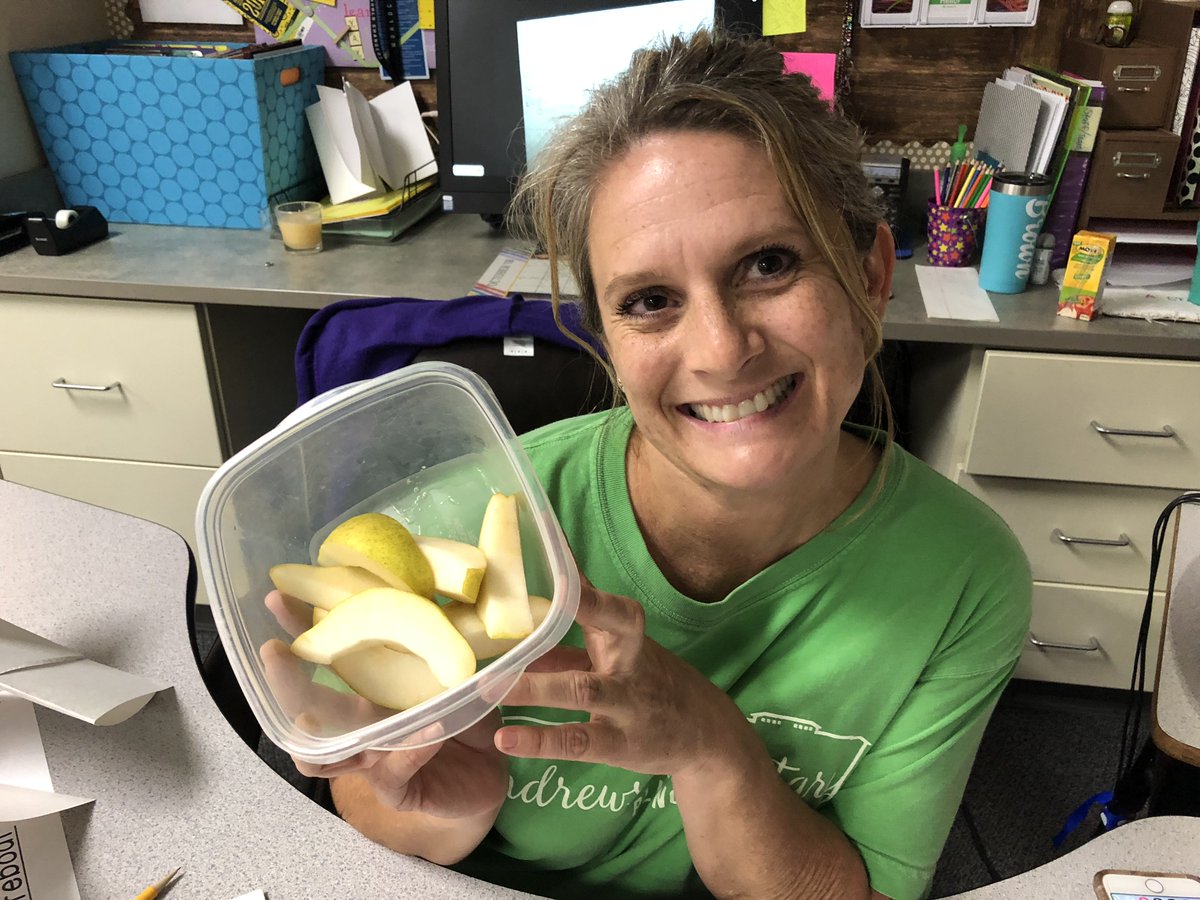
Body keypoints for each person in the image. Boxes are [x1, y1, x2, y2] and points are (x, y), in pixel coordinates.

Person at [283, 27, 1032, 899]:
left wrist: (712, 748)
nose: (720, 350)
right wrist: (449, 808)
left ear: (868, 274)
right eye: (649, 301)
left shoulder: (963, 578)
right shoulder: (469, 519)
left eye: (769, 263)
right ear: (604, 332)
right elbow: (368, 811)